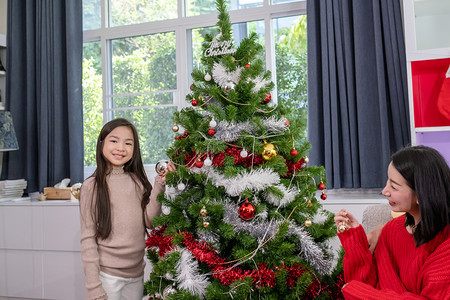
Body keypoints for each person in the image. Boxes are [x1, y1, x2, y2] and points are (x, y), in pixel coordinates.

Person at [334, 145, 450, 299]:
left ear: (421, 195)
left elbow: (359, 291)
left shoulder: (444, 246)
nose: (384, 191)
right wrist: (355, 241)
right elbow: (367, 285)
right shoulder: (391, 230)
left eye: (394, 187)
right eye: (387, 181)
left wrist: (356, 291)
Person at [79, 118, 175, 300]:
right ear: (101, 144)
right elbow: (87, 239)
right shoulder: (91, 186)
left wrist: (159, 185)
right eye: (114, 141)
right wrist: (93, 286)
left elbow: (151, 221)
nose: (121, 148)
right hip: (107, 277)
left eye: (128, 143)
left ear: (134, 149)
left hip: (136, 274)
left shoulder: (137, 182)